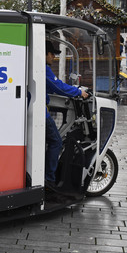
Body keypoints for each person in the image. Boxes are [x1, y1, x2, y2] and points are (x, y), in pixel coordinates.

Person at [44, 41, 88, 190]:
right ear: (46, 54)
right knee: (56, 141)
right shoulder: (43, 68)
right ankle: (49, 180)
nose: (54, 58)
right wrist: (79, 92)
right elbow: (58, 87)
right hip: (40, 113)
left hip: (37, 110)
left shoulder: (37, 66)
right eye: (52, 54)